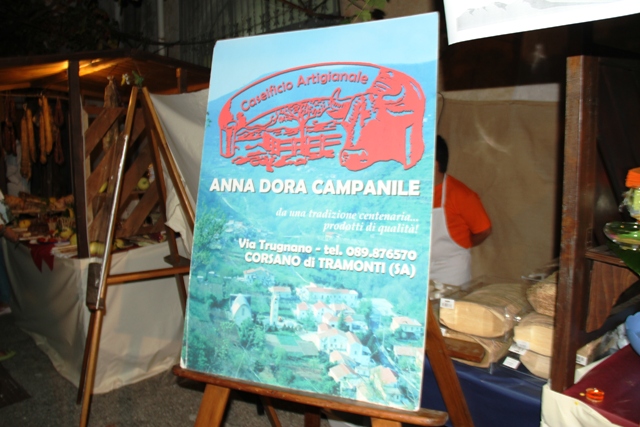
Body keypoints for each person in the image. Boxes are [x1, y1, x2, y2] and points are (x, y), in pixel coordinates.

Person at [430, 135, 492, 286]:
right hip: (418, 268)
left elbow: (484, 230)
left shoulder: (461, 195)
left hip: (450, 272)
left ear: (434, 164)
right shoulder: (411, 191)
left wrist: (463, 243)